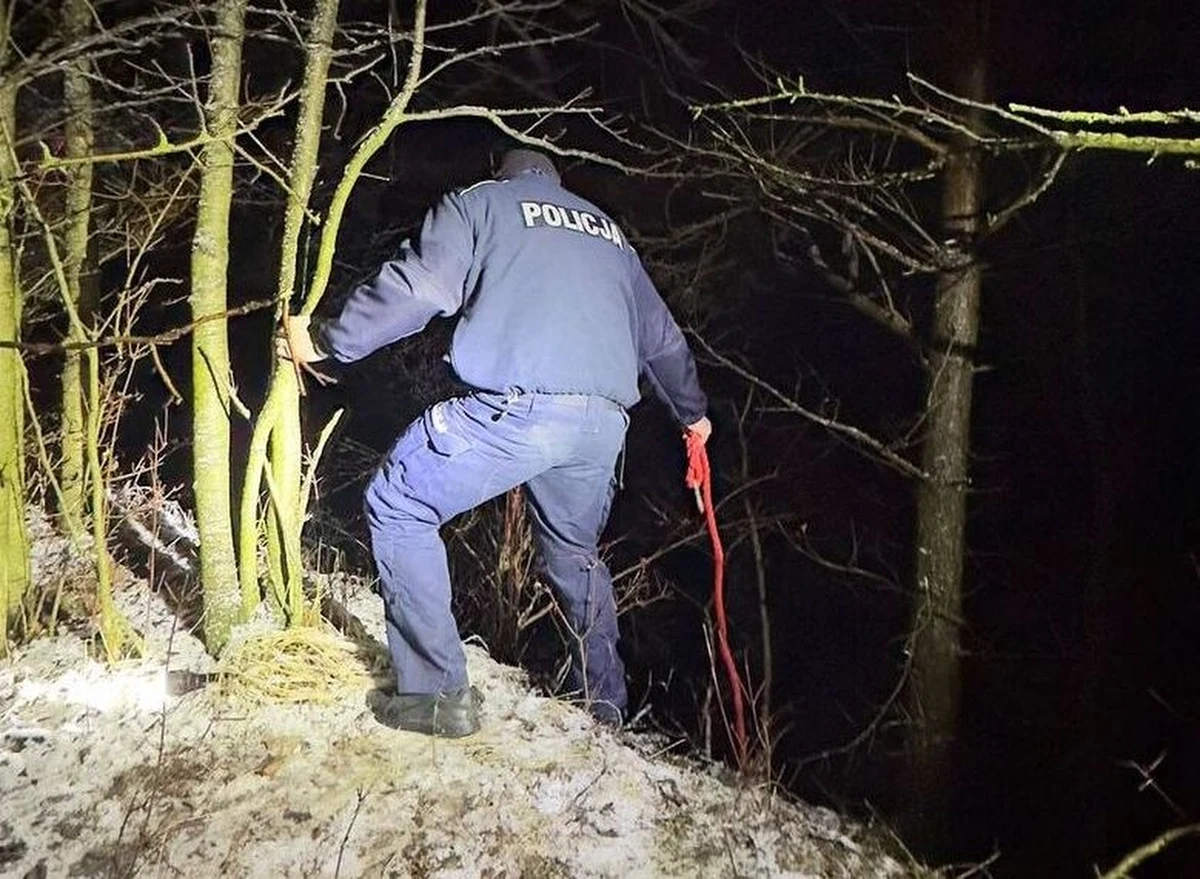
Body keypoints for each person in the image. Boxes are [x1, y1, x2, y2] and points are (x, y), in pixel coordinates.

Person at [285, 146, 711, 737]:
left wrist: (331, 341)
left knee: (400, 503)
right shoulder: (609, 234)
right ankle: (603, 710)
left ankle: (435, 698)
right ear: (555, 182)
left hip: (521, 406)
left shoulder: (481, 205)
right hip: (602, 424)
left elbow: (420, 287)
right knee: (573, 556)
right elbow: (662, 340)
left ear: (500, 174)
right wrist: (693, 414)